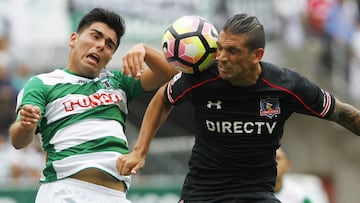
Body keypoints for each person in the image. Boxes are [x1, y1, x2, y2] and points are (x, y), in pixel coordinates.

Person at [116, 13, 360, 202]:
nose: (221, 57)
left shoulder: (287, 85)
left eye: (232, 51)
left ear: (257, 55)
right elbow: (163, 98)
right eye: (220, 47)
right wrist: (140, 150)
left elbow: (341, 113)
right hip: (202, 193)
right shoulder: (202, 77)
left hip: (256, 194)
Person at [8, 8, 177, 203]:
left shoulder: (119, 81)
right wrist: (26, 126)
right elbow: (18, 141)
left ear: (110, 57)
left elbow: (173, 72)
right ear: (74, 39)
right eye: (95, 36)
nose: (100, 46)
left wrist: (145, 49)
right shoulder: (42, 83)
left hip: (116, 196)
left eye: (109, 44)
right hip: (66, 192)